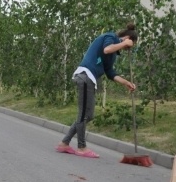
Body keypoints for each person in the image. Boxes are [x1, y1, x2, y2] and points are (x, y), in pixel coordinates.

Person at [57, 24, 138, 158]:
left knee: (88, 115)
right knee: (83, 115)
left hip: (89, 79)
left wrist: (126, 83)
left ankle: (64, 143)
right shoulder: (110, 36)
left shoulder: (113, 55)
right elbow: (107, 49)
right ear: (127, 38)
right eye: (129, 46)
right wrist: (124, 43)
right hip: (85, 75)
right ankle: (81, 147)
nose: (126, 49)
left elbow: (110, 72)